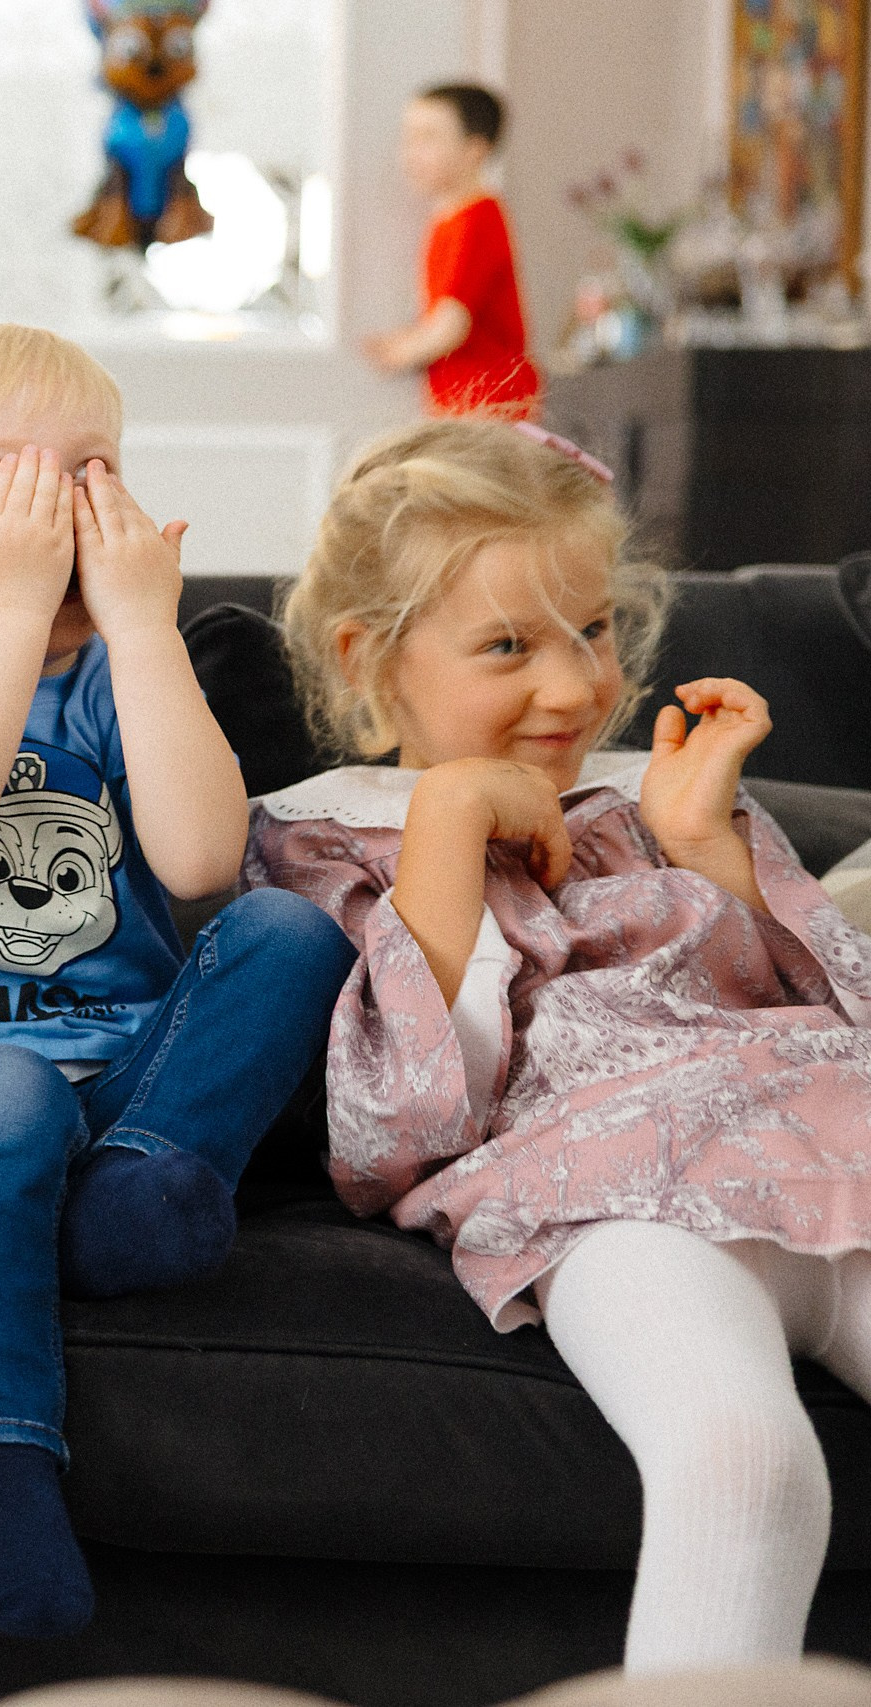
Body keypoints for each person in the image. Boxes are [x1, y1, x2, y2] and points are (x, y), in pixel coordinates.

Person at [254, 417, 871, 1674]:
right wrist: (447, 824)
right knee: (740, 1461)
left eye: (591, 630)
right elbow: (398, 1135)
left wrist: (704, 848)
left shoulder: (658, 794)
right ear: (370, 660)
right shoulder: (323, 836)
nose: (574, 685)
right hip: (608, 1198)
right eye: (507, 646)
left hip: (833, 1143)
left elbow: (830, 1009)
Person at [0, 324, 360, 1640]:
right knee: (3, 1091)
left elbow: (200, 857)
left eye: (90, 470)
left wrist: (144, 630)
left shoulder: (120, 675)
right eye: (3, 477)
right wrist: (8, 615)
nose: (56, 509)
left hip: (116, 1096)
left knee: (290, 930)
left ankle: (136, 1190)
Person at [363, 84, 541, 418]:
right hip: (464, 402)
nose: (411, 153)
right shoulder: (448, 219)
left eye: (428, 138)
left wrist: (401, 352)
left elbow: (452, 324)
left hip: (489, 402)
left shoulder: (477, 220)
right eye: (409, 138)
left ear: (475, 150)